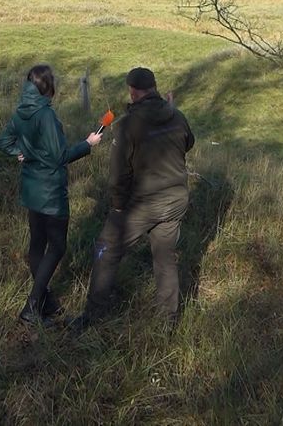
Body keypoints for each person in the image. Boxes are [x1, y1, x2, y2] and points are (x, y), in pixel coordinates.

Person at [70, 67, 194, 330]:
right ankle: (167, 324)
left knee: (106, 251)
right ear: (155, 87)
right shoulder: (176, 115)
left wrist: (117, 207)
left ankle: (93, 318)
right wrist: (172, 114)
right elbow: (188, 143)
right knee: (165, 259)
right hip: (175, 200)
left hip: (144, 203)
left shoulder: (127, 124)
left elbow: (119, 173)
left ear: (133, 91)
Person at [0, 64, 103, 325]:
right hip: (50, 192)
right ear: (47, 86)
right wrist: (88, 144)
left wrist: (20, 153)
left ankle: (46, 302)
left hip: (32, 190)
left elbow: (4, 142)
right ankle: (32, 307)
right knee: (57, 247)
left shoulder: (22, 110)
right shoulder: (46, 115)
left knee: (37, 246)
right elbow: (60, 157)